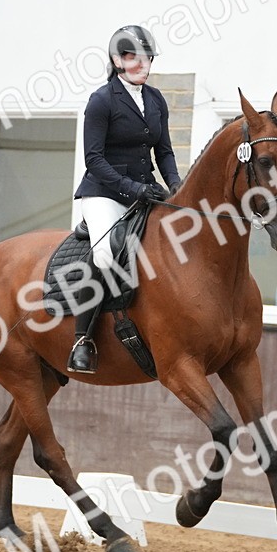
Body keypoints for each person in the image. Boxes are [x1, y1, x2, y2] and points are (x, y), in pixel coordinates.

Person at [67, 25, 182, 374]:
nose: (143, 64)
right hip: (104, 193)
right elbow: (94, 159)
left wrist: (175, 185)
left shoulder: (156, 99)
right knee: (104, 253)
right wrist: (133, 189)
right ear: (118, 60)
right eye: (134, 57)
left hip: (145, 190)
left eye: (147, 57)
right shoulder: (102, 100)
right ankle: (82, 340)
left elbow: (164, 151)